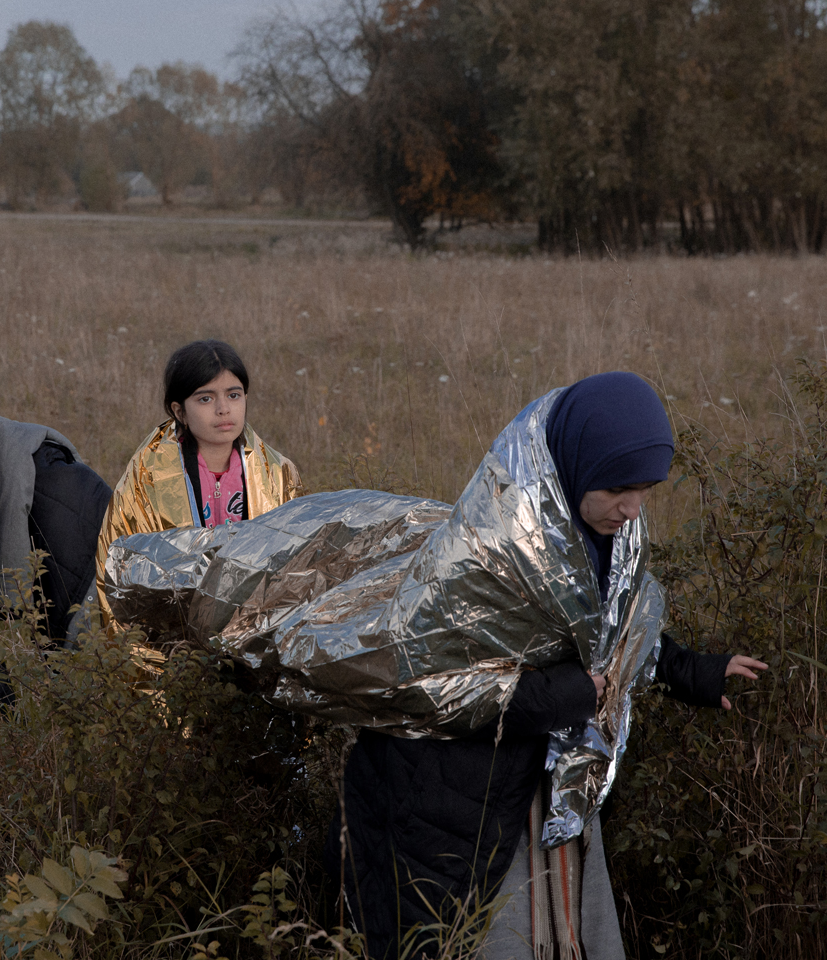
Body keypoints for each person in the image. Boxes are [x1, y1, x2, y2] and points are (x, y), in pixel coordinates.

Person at [327, 372, 768, 960]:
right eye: (619, 488)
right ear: (579, 465)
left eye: (646, 490)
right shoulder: (488, 554)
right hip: (453, 799)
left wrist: (696, 672)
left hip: (539, 790)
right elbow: (435, 686)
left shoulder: (597, 534)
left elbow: (614, 630)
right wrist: (567, 695)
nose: (633, 509)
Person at [94, 339, 303, 634]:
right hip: (173, 639)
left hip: (256, 631)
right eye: (205, 399)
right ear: (179, 411)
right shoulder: (147, 478)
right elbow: (118, 568)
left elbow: (298, 565)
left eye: (234, 395)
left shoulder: (278, 473)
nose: (223, 409)